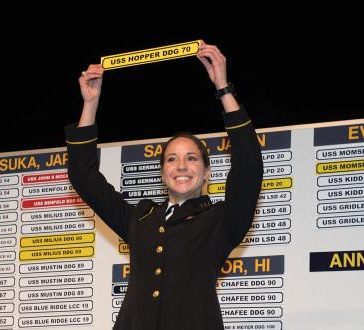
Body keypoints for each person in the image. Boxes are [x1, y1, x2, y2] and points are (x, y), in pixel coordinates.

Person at [64, 42, 264, 330]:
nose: (181, 166)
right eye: (172, 159)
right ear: (163, 173)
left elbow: (248, 166)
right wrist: (90, 103)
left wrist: (223, 88)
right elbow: (83, 176)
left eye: (191, 158)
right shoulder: (140, 219)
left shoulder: (222, 220)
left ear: (207, 173)